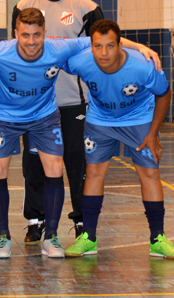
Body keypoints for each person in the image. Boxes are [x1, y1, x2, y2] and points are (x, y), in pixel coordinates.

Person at [0, 8, 159, 259]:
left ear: (45, 34)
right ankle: (3, 238)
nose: (31, 41)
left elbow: (101, 38)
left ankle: (51, 236)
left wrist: (140, 47)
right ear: (15, 33)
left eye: (37, 35)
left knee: (55, 169)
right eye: (25, 35)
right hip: (5, 117)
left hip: (44, 116)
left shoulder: (57, 48)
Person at [13, 0, 104, 244]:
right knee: (34, 165)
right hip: (36, 103)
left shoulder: (86, 7)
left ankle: (81, 223)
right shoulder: (24, 5)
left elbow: (100, 53)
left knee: (77, 164)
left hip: (73, 102)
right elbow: (15, 52)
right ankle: (35, 221)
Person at [62, 20, 174, 259]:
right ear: (90, 46)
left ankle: (157, 239)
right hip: (100, 121)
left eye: (110, 46)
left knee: (150, 173)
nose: (103, 53)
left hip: (138, 120)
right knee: (93, 173)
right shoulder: (80, 61)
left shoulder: (143, 66)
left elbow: (164, 94)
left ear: (120, 45)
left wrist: (153, 133)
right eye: (97, 46)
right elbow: (50, 55)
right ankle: (89, 238)